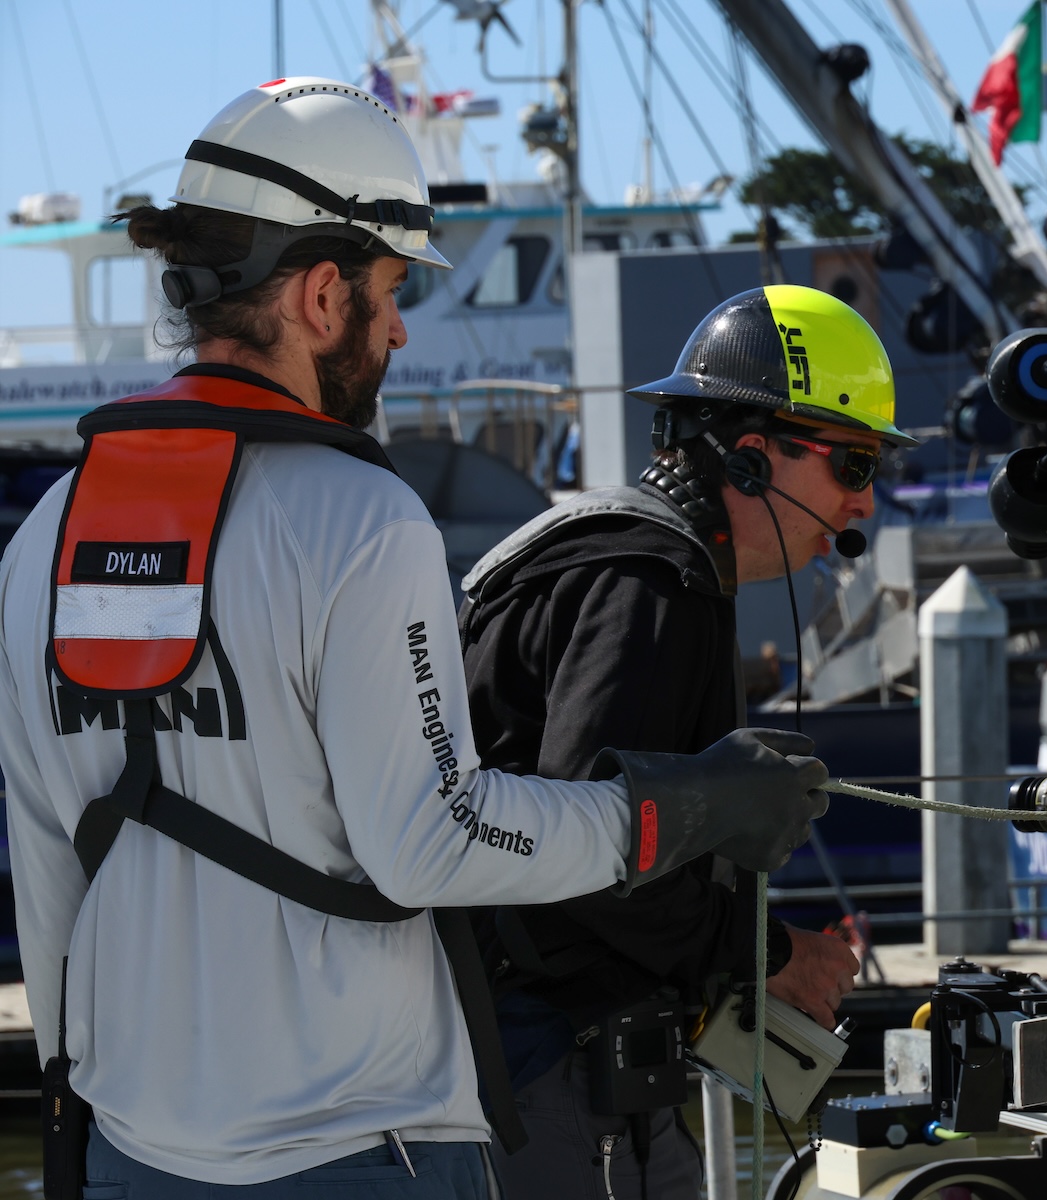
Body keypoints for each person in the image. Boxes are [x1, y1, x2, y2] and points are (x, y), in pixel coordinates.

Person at [0, 79, 827, 1199]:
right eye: (392, 293)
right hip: (355, 1149)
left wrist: (68, 1103)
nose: (396, 329)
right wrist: (677, 813)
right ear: (323, 292)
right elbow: (432, 841)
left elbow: (49, 867)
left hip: (129, 1154)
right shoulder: (357, 519)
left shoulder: (52, 527)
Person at [459, 284, 916, 1198]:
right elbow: (589, 845)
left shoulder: (606, 552)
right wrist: (769, 953)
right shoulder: (653, 584)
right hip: (551, 1066)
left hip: (529, 1052)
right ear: (753, 460)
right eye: (855, 465)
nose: (866, 504)